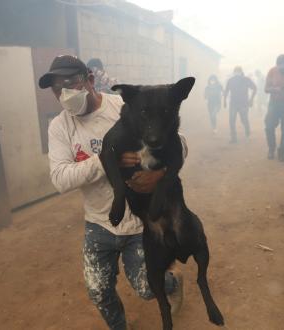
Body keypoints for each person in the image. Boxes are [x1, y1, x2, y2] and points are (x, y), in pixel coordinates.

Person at [40, 55, 185, 330]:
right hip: (99, 222)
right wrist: (107, 159)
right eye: (57, 88)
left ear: (91, 80)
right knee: (98, 291)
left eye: (71, 82)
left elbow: (181, 145)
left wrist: (160, 174)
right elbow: (60, 178)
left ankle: (173, 282)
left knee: (147, 288)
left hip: (139, 221)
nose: (65, 92)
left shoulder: (128, 106)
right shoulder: (60, 126)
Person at [223, 66, 256, 143]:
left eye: (238, 71)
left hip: (243, 104)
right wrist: (224, 101)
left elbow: (255, 88)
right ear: (234, 72)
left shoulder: (246, 79)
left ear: (241, 72)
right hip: (233, 104)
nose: (237, 73)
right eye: (236, 71)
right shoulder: (230, 80)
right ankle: (234, 138)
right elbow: (226, 91)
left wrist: (251, 100)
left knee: (244, 119)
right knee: (232, 121)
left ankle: (247, 132)